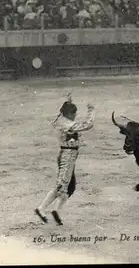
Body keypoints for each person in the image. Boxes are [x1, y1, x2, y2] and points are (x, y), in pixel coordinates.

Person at [35, 94, 95, 225]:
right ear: (69, 113)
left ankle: (56, 211)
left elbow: (62, 113)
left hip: (67, 155)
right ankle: (42, 208)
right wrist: (91, 110)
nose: (75, 116)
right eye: (74, 113)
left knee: (69, 186)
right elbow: (88, 125)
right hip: (68, 156)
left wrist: (68, 102)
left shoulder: (60, 120)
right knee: (61, 186)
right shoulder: (69, 124)